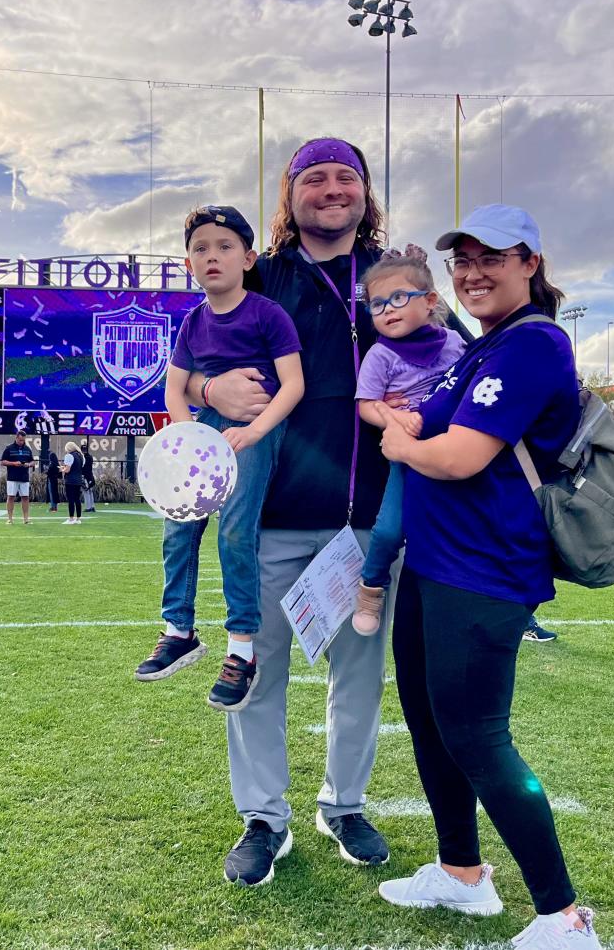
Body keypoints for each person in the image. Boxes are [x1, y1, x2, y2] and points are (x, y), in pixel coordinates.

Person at [180, 140, 469, 886]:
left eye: (346, 177)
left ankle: (343, 804)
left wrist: (433, 399)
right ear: (291, 194)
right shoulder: (263, 276)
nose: (331, 189)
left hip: (372, 519)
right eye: (315, 178)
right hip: (271, 516)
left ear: (365, 193)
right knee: (257, 671)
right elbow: (190, 366)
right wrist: (213, 395)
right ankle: (263, 818)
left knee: (360, 677)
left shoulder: (393, 277)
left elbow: (457, 355)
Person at [375, 205, 602, 949]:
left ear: (531, 263)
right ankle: (462, 874)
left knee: (476, 735)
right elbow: (416, 420)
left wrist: (406, 446)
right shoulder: (485, 347)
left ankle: (563, 917)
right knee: (431, 725)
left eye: (491, 257)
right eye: (461, 260)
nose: (472, 272)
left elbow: (456, 454)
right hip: (437, 564)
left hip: (485, 571)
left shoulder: (531, 346)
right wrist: (409, 433)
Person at [134, 205, 304, 713]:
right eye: (200, 249)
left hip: (255, 432)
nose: (213, 257)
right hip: (204, 431)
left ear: (249, 258)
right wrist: (185, 431)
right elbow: (173, 387)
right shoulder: (192, 321)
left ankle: (241, 648)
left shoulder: (267, 313)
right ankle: (178, 628)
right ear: (188, 263)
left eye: (225, 247)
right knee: (177, 524)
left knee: (235, 528)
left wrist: (253, 432)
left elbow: (293, 384)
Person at [350, 245, 466, 636]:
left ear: (430, 301)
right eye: (377, 304)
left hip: (457, 451)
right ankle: (370, 588)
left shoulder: (453, 343)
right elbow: (365, 404)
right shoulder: (380, 355)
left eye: (398, 298)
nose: (387, 310)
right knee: (387, 530)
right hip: (408, 457)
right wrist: (392, 417)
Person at [0, 431, 35, 524]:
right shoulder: (9, 448)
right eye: (20, 440)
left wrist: (28, 464)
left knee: (25, 497)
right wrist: (14, 463)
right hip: (12, 478)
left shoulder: (28, 449)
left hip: (24, 478)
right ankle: (10, 519)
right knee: (11, 497)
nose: (21, 442)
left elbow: (33, 462)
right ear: (16, 438)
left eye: (23, 440)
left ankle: (26, 519)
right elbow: (2, 462)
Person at [61, 440, 84, 524]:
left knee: (71, 499)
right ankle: (78, 519)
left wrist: (61, 469)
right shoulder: (81, 456)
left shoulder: (69, 456)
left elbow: (67, 470)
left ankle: (71, 519)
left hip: (70, 480)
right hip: (78, 480)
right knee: (77, 499)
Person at [80, 442, 96, 513]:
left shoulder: (83, 458)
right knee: (90, 492)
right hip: (90, 476)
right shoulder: (90, 457)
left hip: (85, 476)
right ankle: (92, 507)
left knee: (86, 492)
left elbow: (83, 468)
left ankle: (88, 507)